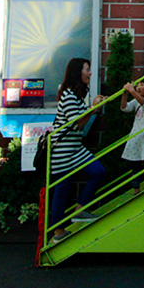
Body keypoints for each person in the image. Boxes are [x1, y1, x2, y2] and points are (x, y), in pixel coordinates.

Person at [49, 57, 106, 242]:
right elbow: (77, 125)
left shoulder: (76, 95)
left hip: (75, 148)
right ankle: (58, 233)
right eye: (87, 69)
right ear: (77, 72)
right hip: (63, 150)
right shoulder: (68, 95)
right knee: (62, 190)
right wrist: (93, 108)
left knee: (98, 172)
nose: (90, 73)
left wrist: (93, 108)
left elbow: (81, 120)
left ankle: (80, 209)